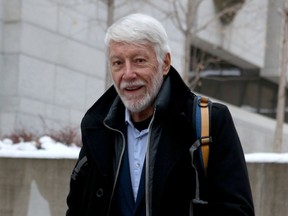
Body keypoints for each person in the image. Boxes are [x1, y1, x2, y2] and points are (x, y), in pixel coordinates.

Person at [66, 13, 255, 216]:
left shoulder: (208, 122)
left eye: (139, 61)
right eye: (118, 63)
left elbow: (237, 212)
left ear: (165, 63)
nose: (128, 74)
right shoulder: (97, 127)